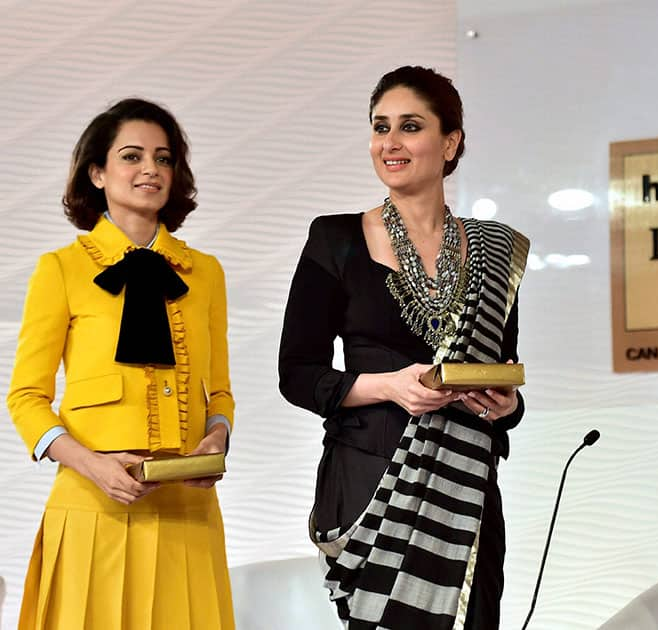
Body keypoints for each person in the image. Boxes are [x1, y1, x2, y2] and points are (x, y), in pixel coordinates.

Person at [278, 65, 528, 629]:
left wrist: (507, 405)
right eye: (379, 127)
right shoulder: (335, 239)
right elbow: (297, 373)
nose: (389, 143)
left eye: (409, 126)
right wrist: (390, 386)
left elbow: (503, 371)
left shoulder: (494, 250)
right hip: (373, 484)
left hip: (466, 490)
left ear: (450, 142)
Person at [7, 98, 236, 630]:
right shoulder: (60, 269)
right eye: (132, 156)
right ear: (97, 171)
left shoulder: (206, 274)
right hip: (93, 508)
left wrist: (217, 438)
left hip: (188, 510)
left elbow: (220, 392)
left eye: (163, 158)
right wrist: (93, 467)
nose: (150, 169)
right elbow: (25, 399)